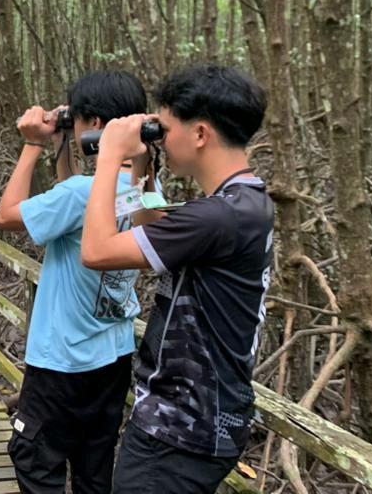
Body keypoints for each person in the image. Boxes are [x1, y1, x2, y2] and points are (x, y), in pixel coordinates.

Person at [79, 65, 272, 494]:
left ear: (200, 134)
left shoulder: (217, 217)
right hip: (203, 420)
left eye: (163, 129)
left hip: (180, 429)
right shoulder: (242, 204)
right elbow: (147, 225)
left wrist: (110, 155)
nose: (159, 137)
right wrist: (140, 168)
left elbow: (96, 252)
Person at [0, 71, 148, 494]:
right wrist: (66, 140)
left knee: (34, 457)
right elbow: (77, 201)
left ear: (97, 126)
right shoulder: (141, 188)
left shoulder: (83, 192)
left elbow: (7, 216)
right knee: (93, 467)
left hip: (62, 361)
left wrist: (33, 144)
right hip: (112, 358)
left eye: (78, 121)